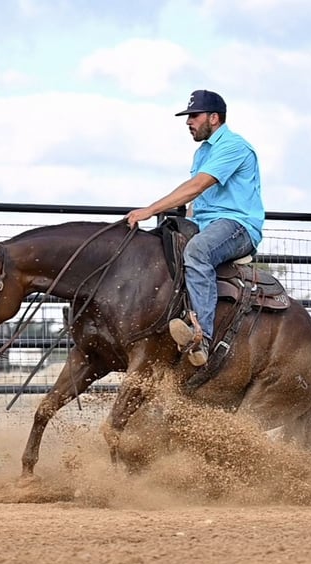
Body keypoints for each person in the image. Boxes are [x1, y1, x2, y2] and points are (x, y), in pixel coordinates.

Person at [126, 89, 265, 367]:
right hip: (206, 223)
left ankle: (203, 339)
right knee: (160, 249)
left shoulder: (234, 146)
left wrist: (150, 209)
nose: (188, 122)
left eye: (194, 116)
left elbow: (197, 187)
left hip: (237, 226)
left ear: (214, 118)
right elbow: (198, 200)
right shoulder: (202, 152)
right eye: (188, 117)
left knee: (198, 251)